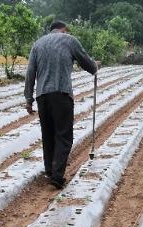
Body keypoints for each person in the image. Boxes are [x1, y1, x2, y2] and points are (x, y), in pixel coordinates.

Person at [24, 21, 100, 189]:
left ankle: (50, 171)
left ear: (50, 30)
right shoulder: (70, 40)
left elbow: (30, 72)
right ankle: (57, 176)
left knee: (48, 134)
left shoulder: (38, 44)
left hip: (42, 96)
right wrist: (96, 66)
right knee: (63, 135)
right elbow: (88, 64)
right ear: (63, 30)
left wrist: (28, 98)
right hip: (61, 94)